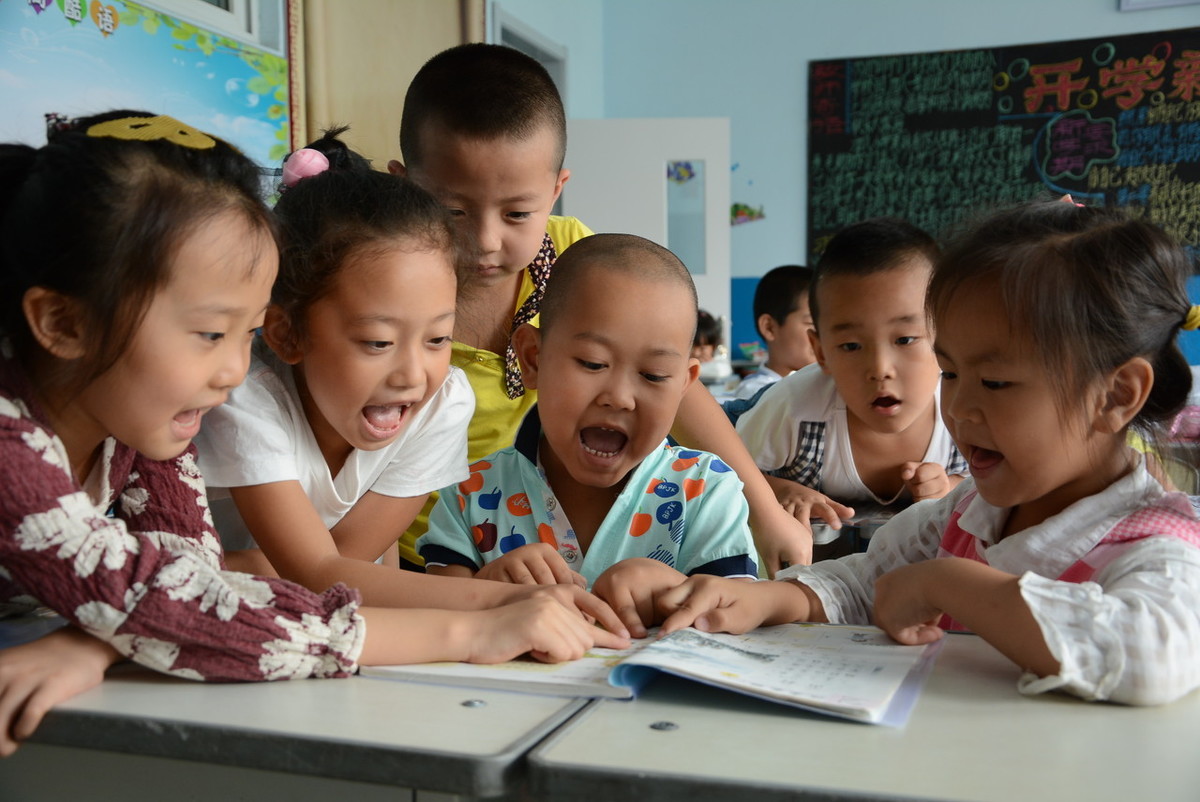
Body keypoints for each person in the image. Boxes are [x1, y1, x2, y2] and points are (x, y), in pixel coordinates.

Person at [0, 111, 627, 755]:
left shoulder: (141, 421)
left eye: (243, 337)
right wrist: (469, 632)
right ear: (63, 323)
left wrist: (100, 640)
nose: (234, 373)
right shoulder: (10, 443)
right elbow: (186, 607)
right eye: (210, 334)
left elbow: (185, 580)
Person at [659, 199, 1200, 706]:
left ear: (1115, 395)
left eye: (994, 381)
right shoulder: (966, 514)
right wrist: (763, 601)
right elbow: (868, 582)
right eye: (952, 373)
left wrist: (947, 583)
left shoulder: (1157, 542)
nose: (959, 408)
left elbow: (1153, 655)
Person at [390, 43, 811, 574]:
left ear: (555, 190)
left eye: (519, 213)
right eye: (453, 209)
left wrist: (764, 508)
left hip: (576, 540)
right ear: (403, 186)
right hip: (434, 554)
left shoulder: (573, 256)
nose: (487, 240)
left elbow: (673, 386)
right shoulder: (389, 281)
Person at [418, 235, 758, 635]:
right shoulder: (470, 493)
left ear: (684, 384)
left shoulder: (706, 490)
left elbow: (736, 619)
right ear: (533, 359)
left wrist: (675, 591)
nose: (619, 398)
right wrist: (488, 592)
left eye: (653, 375)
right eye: (593, 363)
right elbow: (435, 614)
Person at [735, 218, 967, 539]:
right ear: (821, 352)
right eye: (851, 345)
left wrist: (953, 487)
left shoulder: (964, 406)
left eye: (905, 339)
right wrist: (775, 489)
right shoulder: (793, 409)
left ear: (946, 333)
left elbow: (1002, 482)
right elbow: (720, 470)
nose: (880, 368)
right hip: (753, 413)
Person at [732, 264, 816, 400]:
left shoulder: (818, 384)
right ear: (769, 327)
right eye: (812, 323)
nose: (822, 335)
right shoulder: (755, 393)